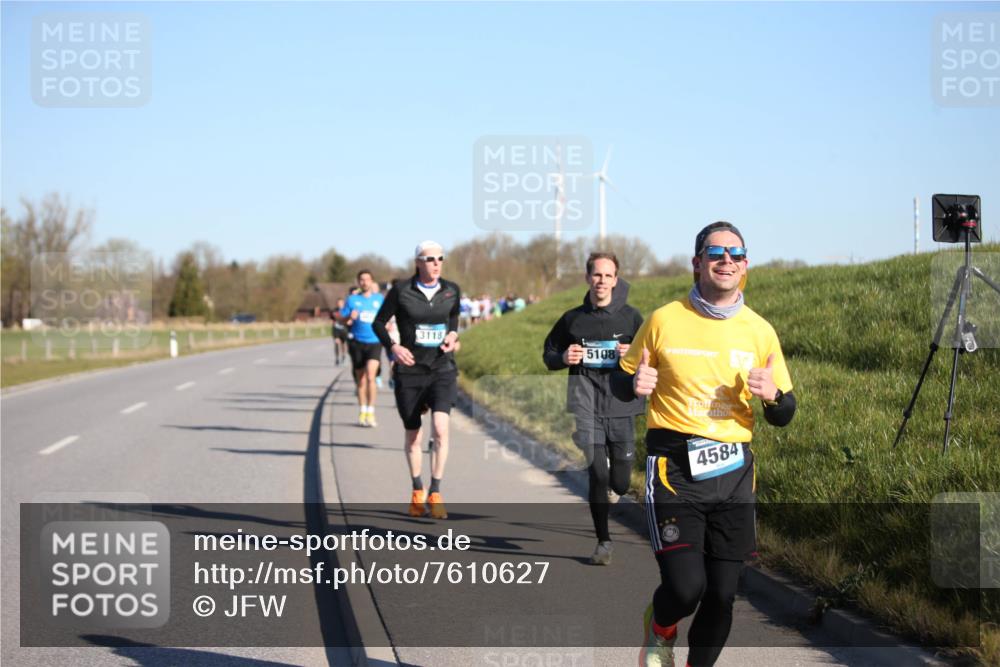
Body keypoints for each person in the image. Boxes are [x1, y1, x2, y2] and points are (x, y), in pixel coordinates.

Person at [616, 221, 796, 667]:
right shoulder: (664, 319)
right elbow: (621, 384)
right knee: (685, 588)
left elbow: (785, 411)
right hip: (674, 469)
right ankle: (660, 627)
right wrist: (634, 383)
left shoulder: (760, 331)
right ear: (697, 263)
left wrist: (772, 396)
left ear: (746, 265)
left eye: (736, 254)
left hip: (734, 474)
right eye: (716, 253)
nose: (726, 261)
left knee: (721, 594)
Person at [543, 252, 645, 565]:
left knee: (620, 483)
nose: (601, 281)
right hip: (586, 405)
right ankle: (603, 541)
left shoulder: (631, 318)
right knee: (598, 476)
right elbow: (549, 354)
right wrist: (563, 359)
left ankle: (616, 484)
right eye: (596, 275)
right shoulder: (573, 319)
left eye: (607, 275)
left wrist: (634, 355)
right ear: (588, 278)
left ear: (616, 280)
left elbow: (652, 358)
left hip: (621, 406)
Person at [373, 241, 461, 520]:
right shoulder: (401, 291)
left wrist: (453, 336)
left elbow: (454, 317)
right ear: (418, 263)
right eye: (430, 259)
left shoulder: (451, 290)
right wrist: (393, 347)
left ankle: (435, 491)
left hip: (441, 369)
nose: (436, 263)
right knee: (414, 436)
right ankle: (417, 488)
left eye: (440, 258)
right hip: (410, 372)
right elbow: (378, 323)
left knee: (440, 428)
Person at [338, 270, 385, 427]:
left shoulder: (379, 299)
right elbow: (342, 320)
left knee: (371, 376)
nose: (365, 282)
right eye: (362, 280)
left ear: (372, 282)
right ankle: (362, 409)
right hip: (357, 343)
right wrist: (349, 318)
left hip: (374, 342)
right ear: (358, 282)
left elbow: (386, 318)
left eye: (367, 279)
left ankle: (371, 412)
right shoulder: (352, 300)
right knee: (361, 379)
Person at [331, 298, 349, 366]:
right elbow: (332, 320)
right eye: (338, 303)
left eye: (341, 303)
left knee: (343, 344)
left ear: (343, 303)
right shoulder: (334, 311)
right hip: (336, 329)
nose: (339, 304)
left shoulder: (346, 310)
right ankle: (337, 358)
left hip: (344, 329)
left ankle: (344, 356)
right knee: (337, 343)